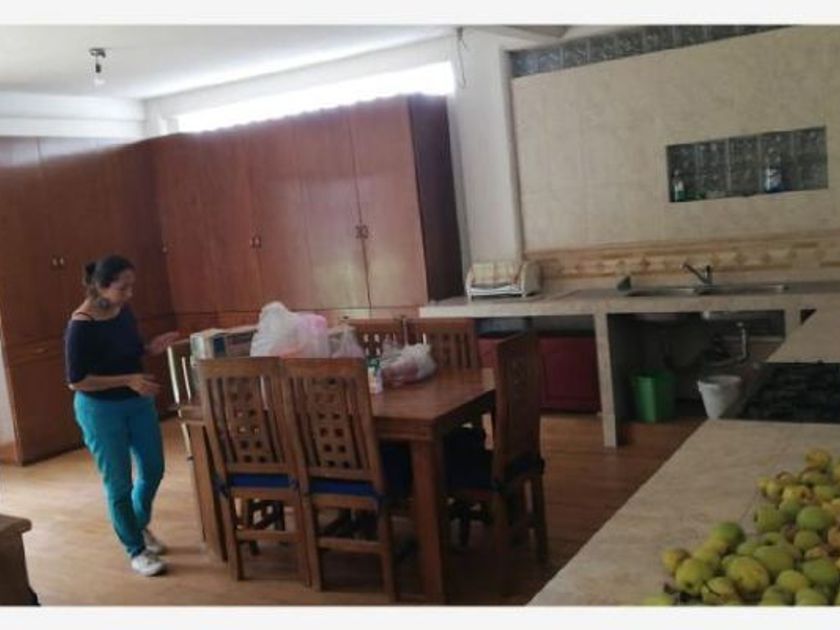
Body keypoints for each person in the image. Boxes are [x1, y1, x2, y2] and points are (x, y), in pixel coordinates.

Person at [64, 254, 180, 577]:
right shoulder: (80, 325)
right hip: (100, 411)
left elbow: (131, 350)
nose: (129, 294)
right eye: (122, 288)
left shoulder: (123, 310)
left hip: (137, 402)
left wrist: (151, 347)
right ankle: (136, 549)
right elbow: (77, 380)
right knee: (119, 483)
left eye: (131, 286)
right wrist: (127, 380)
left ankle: (137, 524)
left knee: (153, 469)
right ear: (101, 287)